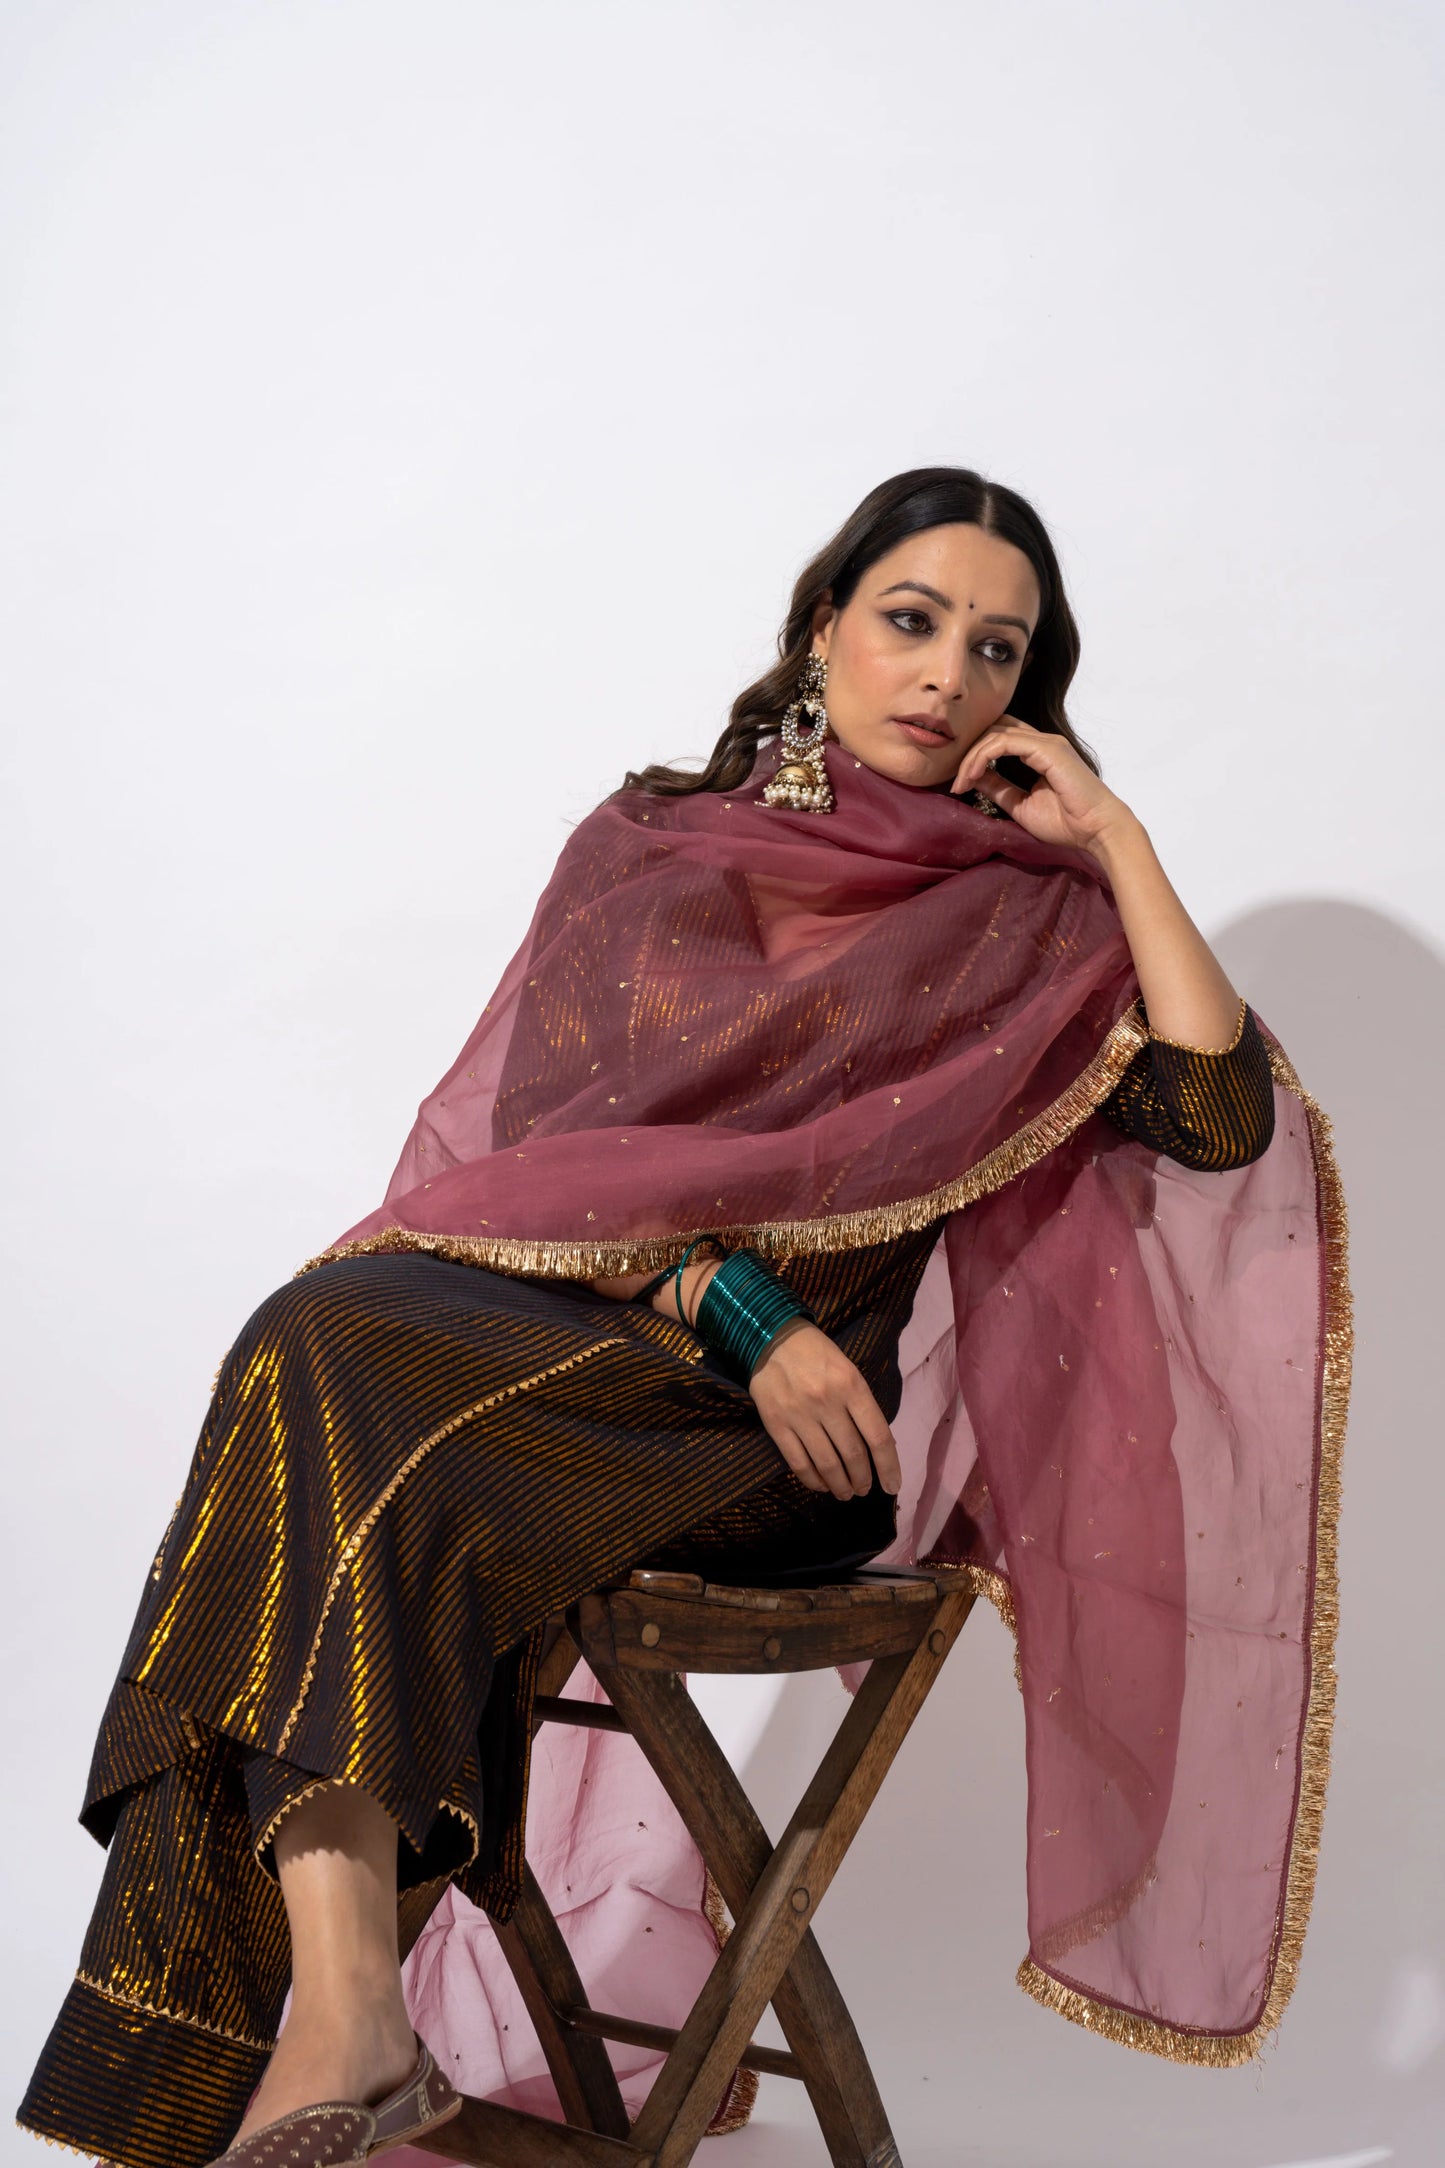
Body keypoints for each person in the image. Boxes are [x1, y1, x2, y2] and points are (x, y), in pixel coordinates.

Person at [18, 467, 1347, 2168]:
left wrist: (1115, 843)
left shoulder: (1034, 917)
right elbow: (546, 1166)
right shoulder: (647, 850)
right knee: (320, 1344)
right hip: (626, 1359)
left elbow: (1215, 1120)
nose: (947, 673)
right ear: (823, 627)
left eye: (996, 649)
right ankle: (349, 2007)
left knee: (328, 1359)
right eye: (912, 620)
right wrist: (735, 1299)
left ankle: (296, 2040)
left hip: (785, 1451)